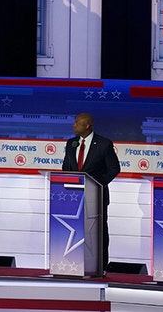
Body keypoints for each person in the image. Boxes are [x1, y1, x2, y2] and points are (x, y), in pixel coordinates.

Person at [61, 112, 120, 273]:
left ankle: (100, 266)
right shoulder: (71, 143)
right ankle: (74, 262)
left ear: (87, 126)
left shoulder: (104, 144)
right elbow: (66, 168)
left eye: (78, 123)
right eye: (75, 123)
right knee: (75, 229)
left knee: (99, 231)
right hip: (74, 196)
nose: (74, 126)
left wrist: (97, 185)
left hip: (97, 196)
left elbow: (114, 169)